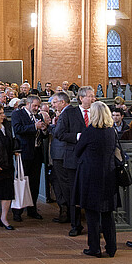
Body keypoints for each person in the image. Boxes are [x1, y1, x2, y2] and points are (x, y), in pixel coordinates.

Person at [73, 101, 119, 257]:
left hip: (92, 177)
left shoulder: (90, 131)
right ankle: (111, 248)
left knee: (92, 214)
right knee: (108, 214)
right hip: (109, 176)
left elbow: (77, 151)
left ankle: (94, 248)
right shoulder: (111, 131)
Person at [53, 85, 96, 236]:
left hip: (93, 159)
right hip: (74, 158)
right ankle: (75, 225)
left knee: (93, 192)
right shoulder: (70, 113)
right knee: (74, 193)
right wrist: (78, 137)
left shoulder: (97, 111)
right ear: (81, 98)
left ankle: (96, 226)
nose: (93, 98)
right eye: (90, 96)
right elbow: (59, 133)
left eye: (93, 96)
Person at [11, 94, 49, 221]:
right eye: (35, 106)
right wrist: (34, 127)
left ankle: (32, 209)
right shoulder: (18, 114)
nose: (37, 108)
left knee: (34, 182)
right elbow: (17, 129)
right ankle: (17, 211)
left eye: (38, 106)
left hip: (36, 153)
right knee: (22, 181)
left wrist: (44, 129)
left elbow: (42, 136)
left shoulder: (38, 116)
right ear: (28, 104)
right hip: (24, 153)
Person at [49, 91, 71, 223]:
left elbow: (59, 133)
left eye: (55, 103)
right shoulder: (66, 113)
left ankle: (67, 210)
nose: (54, 106)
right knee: (57, 180)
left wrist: (51, 125)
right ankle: (65, 209)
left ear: (62, 102)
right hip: (62, 153)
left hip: (61, 153)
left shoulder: (67, 113)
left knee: (62, 182)